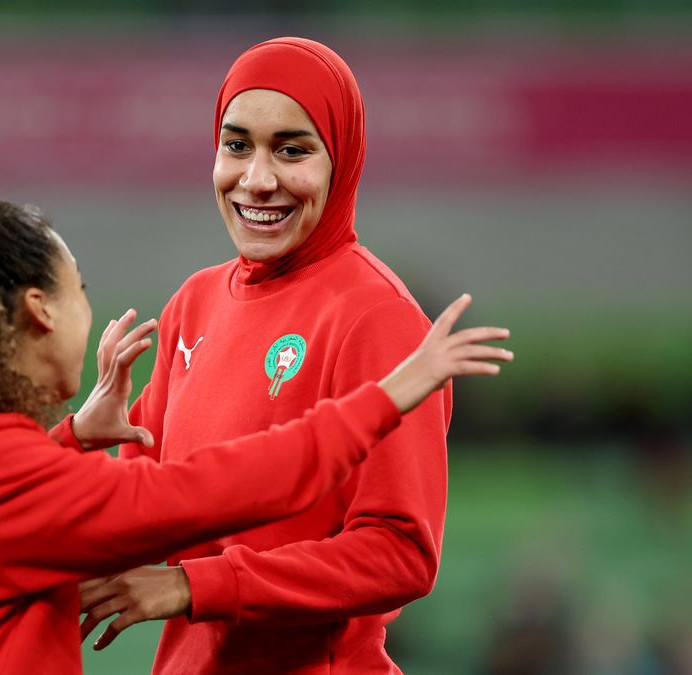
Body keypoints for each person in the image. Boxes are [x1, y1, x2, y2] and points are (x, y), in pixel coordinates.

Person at [0, 200, 510, 673]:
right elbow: (205, 492)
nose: (87, 312)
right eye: (82, 290)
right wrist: (384, 397)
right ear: (38, 309)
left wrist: (72, 438)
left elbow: (4, 526)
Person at [77, 37, 457, 673]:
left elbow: (400, 553)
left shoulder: (378, 318)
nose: (257, 179)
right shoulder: (194, 304)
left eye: (292, 150)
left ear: (343, 160)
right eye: (236, 145)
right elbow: (146, 518)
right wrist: (86, 443)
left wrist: (197, 586)